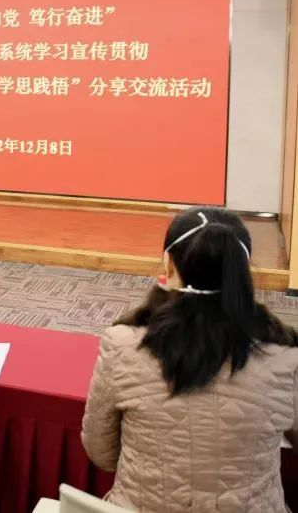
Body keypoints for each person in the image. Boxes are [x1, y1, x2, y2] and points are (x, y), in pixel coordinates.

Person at [81, 207, 298, 512]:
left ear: (169, 264)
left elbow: (101, 453)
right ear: (242, 271)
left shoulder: (122, 344)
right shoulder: (285, 355)